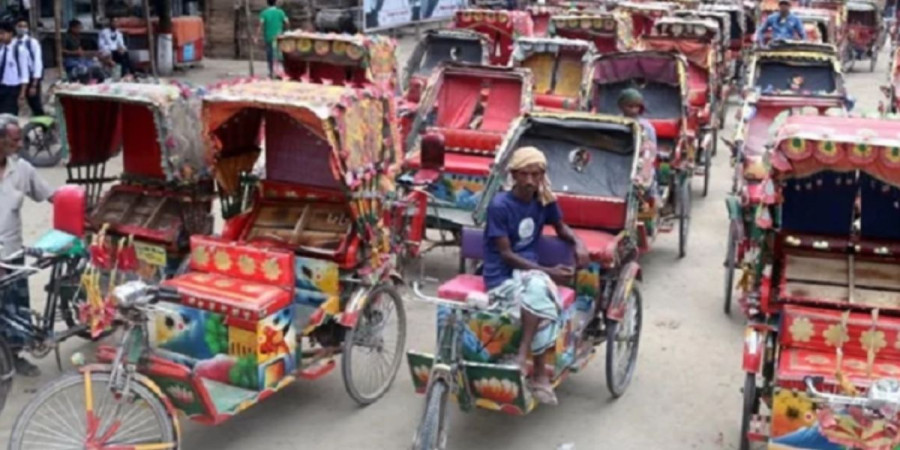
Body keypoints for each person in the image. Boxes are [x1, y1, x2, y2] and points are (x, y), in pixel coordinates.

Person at [483, 146, 588, 406]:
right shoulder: (499, 205)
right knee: (541, 288)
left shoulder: (544, 200)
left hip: (528, 275)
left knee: (538, 287)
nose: (530, 181)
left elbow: (561, 227)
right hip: (502, 277)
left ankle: (528, 364)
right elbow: (506, 254)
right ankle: (535, 369)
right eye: (524, 174)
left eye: (536, 174)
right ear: (514, 175)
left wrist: (578, 243)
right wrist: (549, 272)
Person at [0, 113, 54, 376]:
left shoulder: (22, 170)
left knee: (17, 309)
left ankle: (15, 356)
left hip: (13, 254)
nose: (19, 145)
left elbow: (50, 195)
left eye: (20, 139)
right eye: (13, 140)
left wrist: (80, 209)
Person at [14, 19, 43, 117]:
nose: (22, 28)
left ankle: (44, 126)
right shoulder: (13, 42)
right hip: (16, 78)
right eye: (20, 26)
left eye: (24, 26)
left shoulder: (32, 43)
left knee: (35, 104)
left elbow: (37, 63)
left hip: (31, 78)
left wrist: (34, 84)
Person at [255, 0, 289, 78]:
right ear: (275, 2)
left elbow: (260, 25)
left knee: (270, 55)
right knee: (280, 55)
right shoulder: (280, 12)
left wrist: (256, 37)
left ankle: (271, 72)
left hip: (269, 37)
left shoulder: (264, 13)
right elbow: (287, 22)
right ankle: (281, 72)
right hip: (279, 38)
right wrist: (286, 32)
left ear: (267, 3)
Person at [0, 22, 27, 116]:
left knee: (9, 116)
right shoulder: (1, 49)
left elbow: (24, 72)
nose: (1, 36)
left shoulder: (19, 50)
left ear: (11, 33)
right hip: (1, 87)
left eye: (3, 33)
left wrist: (22, 93)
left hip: (12, 88)